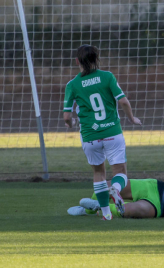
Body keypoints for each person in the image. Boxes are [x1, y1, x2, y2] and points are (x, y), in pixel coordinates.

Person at [63, 45, 142, 220]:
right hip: (112, 132)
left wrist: (71, 123)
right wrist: (131, 118)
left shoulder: (72, 85)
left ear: (77, 61)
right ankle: (116, 189)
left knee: (98, 173)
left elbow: (66, 116)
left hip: (90, 136)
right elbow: (123, 102)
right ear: (97, 59)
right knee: (120, 172)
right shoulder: (107, 77)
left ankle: (106, 213)